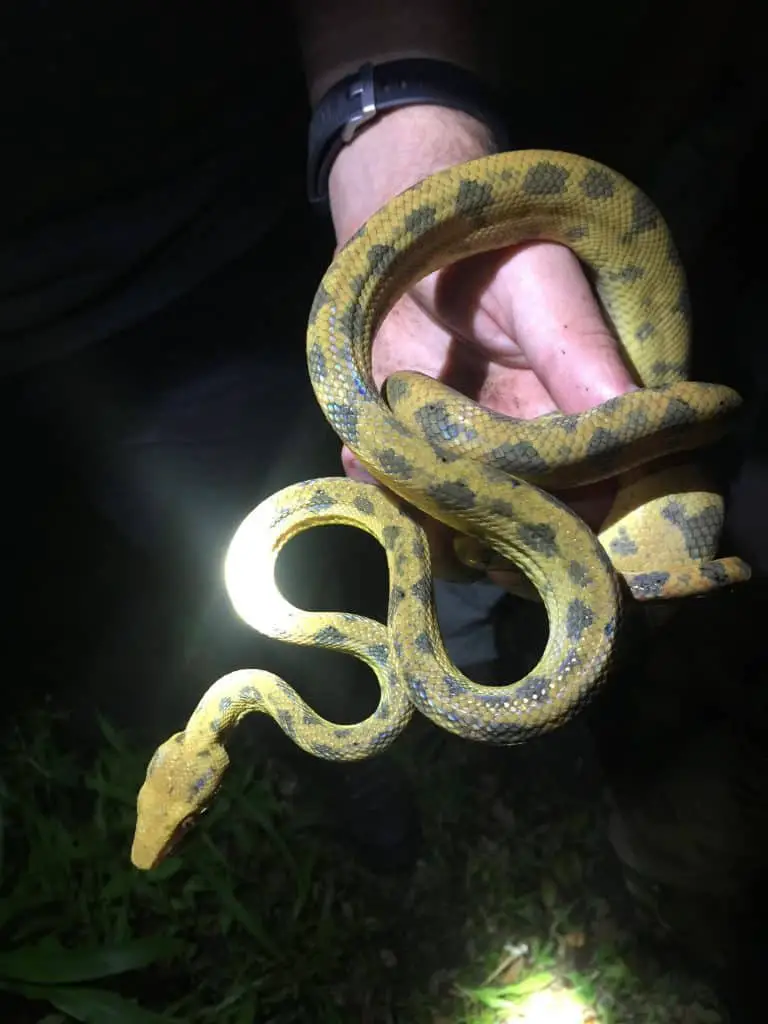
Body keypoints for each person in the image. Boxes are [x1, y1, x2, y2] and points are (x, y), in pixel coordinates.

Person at [2, 0, 763, 943]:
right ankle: (384, 777)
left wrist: (397, 121)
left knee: (433, 493)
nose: (183, 824)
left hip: (257, 186)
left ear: (196, 763)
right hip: (61, 330)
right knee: (393, 507)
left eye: (190, 813)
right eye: (186, 817)